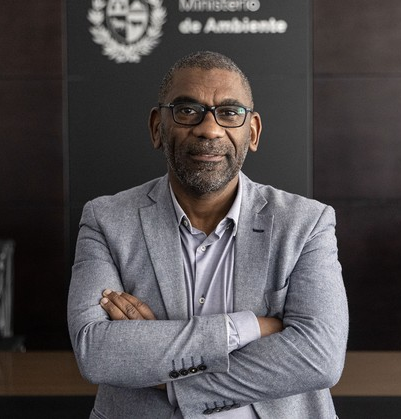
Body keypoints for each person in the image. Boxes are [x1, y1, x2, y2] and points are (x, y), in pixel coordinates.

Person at [68, 51, 349, 418]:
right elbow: (96, 352)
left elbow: (319, 358)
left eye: (229, 113)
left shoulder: (306, 223)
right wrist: (246, 328)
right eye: (187, 111)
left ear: (253, 132)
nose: (209, 129)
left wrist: (167, 376)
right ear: (157, 127)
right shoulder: (106, 220)